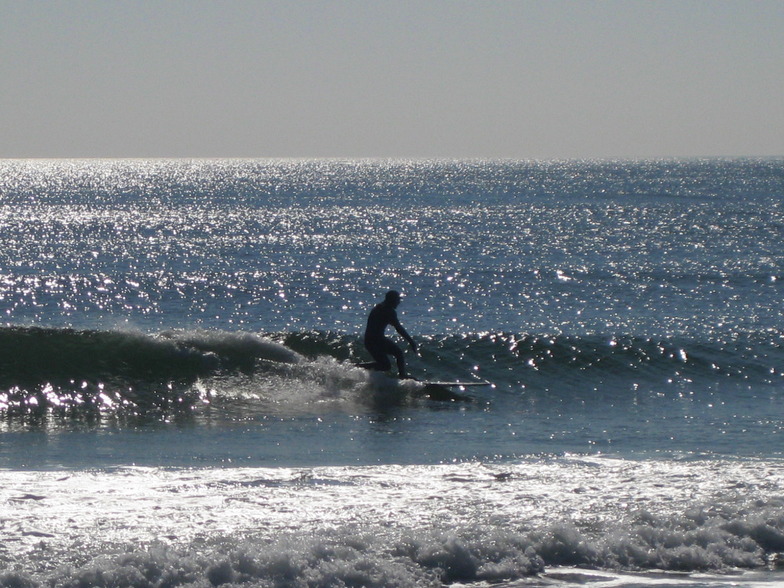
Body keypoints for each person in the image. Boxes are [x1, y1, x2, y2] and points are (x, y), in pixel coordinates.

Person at [359, 290, 418, 379]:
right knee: (398, 354)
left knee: (385, 365)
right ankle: (402, 375)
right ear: (392, 300)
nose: (398, 302)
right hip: (376, 341)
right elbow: (398, 328)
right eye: (397, 300)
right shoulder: (388, 310)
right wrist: (411, 341)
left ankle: (357, 367)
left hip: (370, 340)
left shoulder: (379, 307)